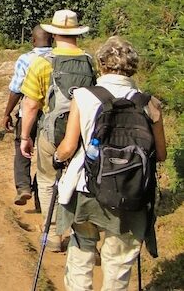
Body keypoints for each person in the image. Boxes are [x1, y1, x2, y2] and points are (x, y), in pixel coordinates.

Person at [52, 37, 167, 291]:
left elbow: (69, 147)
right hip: (132, 191)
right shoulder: (150, 103)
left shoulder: (83, 96)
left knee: (82, 247)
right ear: (133, 67)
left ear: (101, 64)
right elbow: (160, 154)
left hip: (87, 189)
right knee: (119, 258)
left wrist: (57, 159)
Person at [20, 9, 95, 252]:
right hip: (83, 133)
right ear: (76, 33)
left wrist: (24, 137)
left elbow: (31, 105)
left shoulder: (42, 63)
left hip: (52, 131)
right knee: (82, 180)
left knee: (46, 179)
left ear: (53, 33)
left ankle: (53, 234)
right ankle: (82, 234)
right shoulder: (90, 62)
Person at [0, 26, 52, 206]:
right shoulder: (59, 58)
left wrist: (7, 113)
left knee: (22, 148)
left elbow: (16, 90)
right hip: (52, 116)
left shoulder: (26, 59)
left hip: (28, 112)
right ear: (52, 39)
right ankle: (41, 195)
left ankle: (23, 187)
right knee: (48, 155)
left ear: (33, 40)